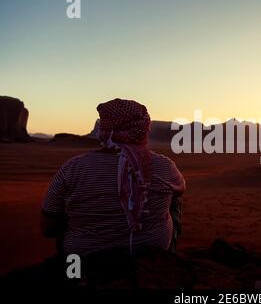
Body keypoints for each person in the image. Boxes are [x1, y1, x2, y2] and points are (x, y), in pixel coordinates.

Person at [40, 98, 186, 256]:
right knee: (173, 200)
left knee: (63, 212)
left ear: (104, 129)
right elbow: (181, 190)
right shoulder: (165, 165)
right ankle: (165, 257)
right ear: (144, 129)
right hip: (150, 254)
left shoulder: (72, 168)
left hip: (85, 258)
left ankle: (72, 272)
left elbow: (48, 228)